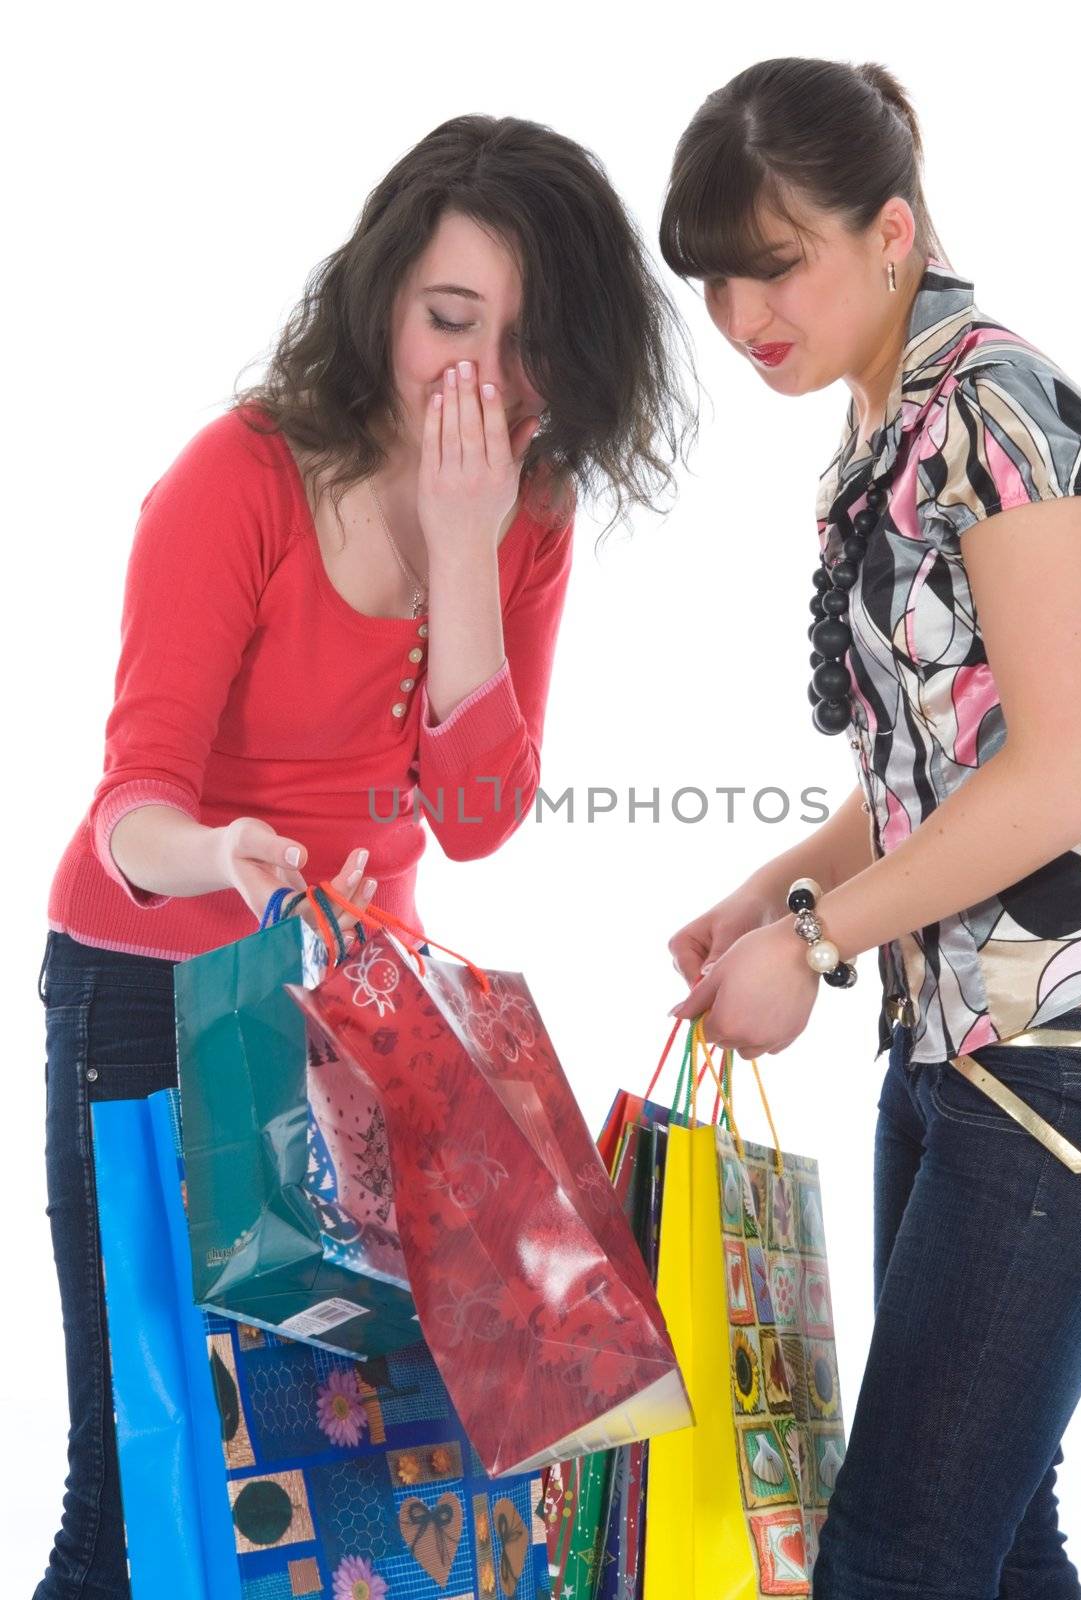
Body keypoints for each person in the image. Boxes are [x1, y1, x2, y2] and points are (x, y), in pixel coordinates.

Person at [36, 113, 695, 1599]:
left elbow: (471, 819)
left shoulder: (524, 510)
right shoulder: (240, 475)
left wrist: (464, 548)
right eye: (447, 320)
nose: (479, 376)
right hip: (153, 1005)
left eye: (526, 344)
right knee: (143, 1475)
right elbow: (125, 810)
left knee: (348, 1481)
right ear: (382, 296)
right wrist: (224, 852)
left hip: (364, 1017)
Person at [662, 56, 1081, 1599]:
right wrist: (775, 888)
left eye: (779, 265)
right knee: (993, 1549)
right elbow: (961, 763)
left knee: (893, 1561)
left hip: (1078, 1072)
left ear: (889, 228)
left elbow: (1065, 778)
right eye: (717, 283)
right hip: (965, 1051)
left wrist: (815, 940)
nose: (746, 316)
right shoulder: (893, 420)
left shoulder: (995, 411)